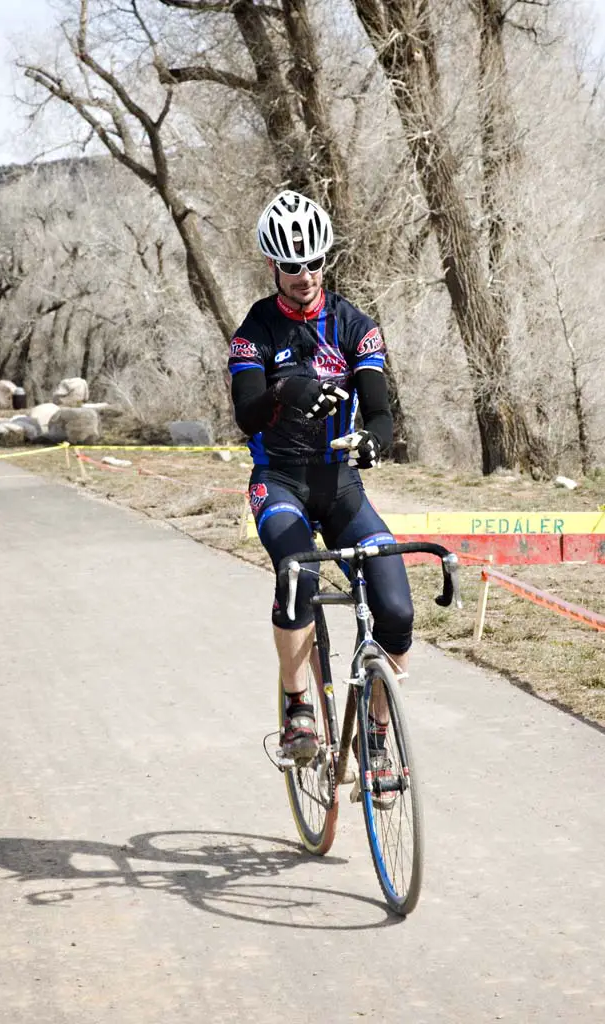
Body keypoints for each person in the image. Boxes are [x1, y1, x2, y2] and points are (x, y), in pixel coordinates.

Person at [228, 189, 414, 775]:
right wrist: (284, 390)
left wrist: (373, 439)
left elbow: (381, 411)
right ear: (272, 267)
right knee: (297, 573)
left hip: (340, 486)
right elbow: (247, 413)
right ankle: (297, 702)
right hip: (278, 482)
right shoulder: (254, 329)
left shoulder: (356, 325)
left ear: (325, 260)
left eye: (312, 263)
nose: (303, 275)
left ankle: (379, 736)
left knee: (396, 608)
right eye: (290, 265)